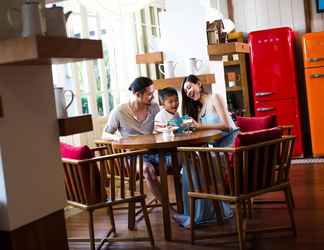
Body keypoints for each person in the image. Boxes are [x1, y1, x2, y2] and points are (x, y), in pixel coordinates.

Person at [175, 74, 238, 228]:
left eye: (189, 87)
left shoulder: (214, 98)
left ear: (199, 84)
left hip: (231, 148)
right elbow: (206, 135)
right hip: (217, 149)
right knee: (188, 167)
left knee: (195, 168)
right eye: (185, 91)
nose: (188, 92)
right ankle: (196, 214)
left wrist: (198, 126)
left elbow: (226, 126)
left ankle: (205, 215)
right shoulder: (199, 109)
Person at [103, 76, 170, 206]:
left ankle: (188, 206)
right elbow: (105, 134)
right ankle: (168, 209)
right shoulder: (119, 111)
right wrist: (119, 138)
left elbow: (161, 125)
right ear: (137, 94)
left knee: (182, 159)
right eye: (149, 94)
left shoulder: (154, 108)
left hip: (154, 152)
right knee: (148, 170)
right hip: (133, 157)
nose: (153, 97)